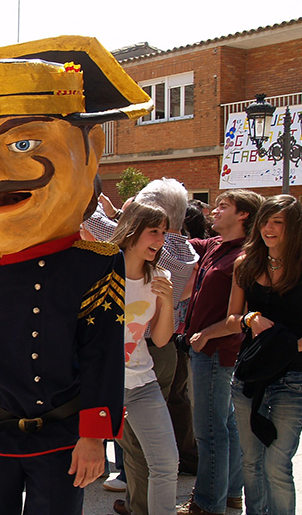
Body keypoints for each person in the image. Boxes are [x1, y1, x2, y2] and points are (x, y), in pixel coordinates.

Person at [0, 37, 142, 514]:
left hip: (61, 438)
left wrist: (94, 434)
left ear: (90, 151)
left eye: (22, 144)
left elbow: (103, 356)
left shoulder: (93, 265)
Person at [191, 195, 302, 515]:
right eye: (265, 221)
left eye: (277, 222)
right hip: (249, 375)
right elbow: (234, 318)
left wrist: (288, 348)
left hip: (294, 377)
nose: (269, 228)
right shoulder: (245, 264)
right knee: (251, 462)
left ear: (293, 228)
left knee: (276, 463)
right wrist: (249, 319)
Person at [178, 190, 264, 515]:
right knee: (225, 425)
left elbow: (238, 318)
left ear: (243, 215)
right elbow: (178, 243)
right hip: (208, 350)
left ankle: (206, 503)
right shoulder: (216, 246)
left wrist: (203, 336)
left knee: (210, 431)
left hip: (215, 351)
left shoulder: (243, 257)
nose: (215, 210)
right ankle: (230, 495)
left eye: (223, 206)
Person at [111, 202, 179, 515]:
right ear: (132, 229)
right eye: (154, 231)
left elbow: (161, 339)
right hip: (100, 385)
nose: (161, 240)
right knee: (74, 462)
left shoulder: (160, 277)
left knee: (166, 464)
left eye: (164, 233)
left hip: (142, 384)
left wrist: (167, 303)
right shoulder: (102, 272)